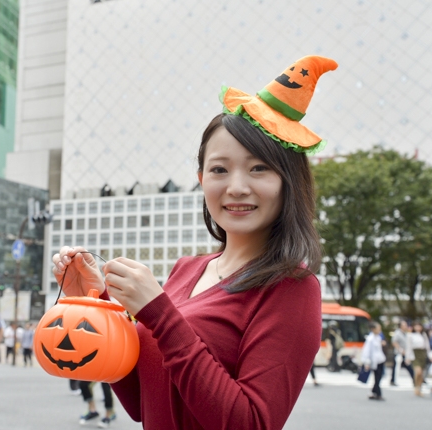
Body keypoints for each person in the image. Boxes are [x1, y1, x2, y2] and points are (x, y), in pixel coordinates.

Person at [52, 55, 336, 429]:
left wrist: (159, 313)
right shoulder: (187, 269)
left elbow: (250, 423)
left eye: (259, 168)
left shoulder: (292, 288)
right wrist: (96, 301)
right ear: (202, 179)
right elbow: (142, 402)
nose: (236, 186)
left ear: (289, 182)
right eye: (219, 169)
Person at [361, 322, 386, 401]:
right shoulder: (370, 339)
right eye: (378, 329)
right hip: (374, 361)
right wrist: (367, 362)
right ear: (373, 329)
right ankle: (378, 393)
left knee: (379, 377)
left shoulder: (378, 337)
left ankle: (374, 391)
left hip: (380, 360)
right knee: (377, 377)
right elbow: (366, 351)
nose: (379, 330)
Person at [405, 322, 430, 397]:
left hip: (422, 354)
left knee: (421, 374)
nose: (418, 328)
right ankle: (415, 386)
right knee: (418, 372)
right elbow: (408, 347)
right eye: (416, 326)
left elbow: (427, 346)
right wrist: (407, 357)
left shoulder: (423, 335)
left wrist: (429, 355)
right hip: (415, 354)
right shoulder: (410, 335)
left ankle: (419, 388)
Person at [390, 320, 414, 386]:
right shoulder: (397, 333)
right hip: (399, 353)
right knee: (396, 368)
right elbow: (394, 342)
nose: (406, 326)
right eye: (404, 325)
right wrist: (400, 350)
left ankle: (415, 378)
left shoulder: (406, 333)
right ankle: (393, 380)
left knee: (409, 366)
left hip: (405, 353)